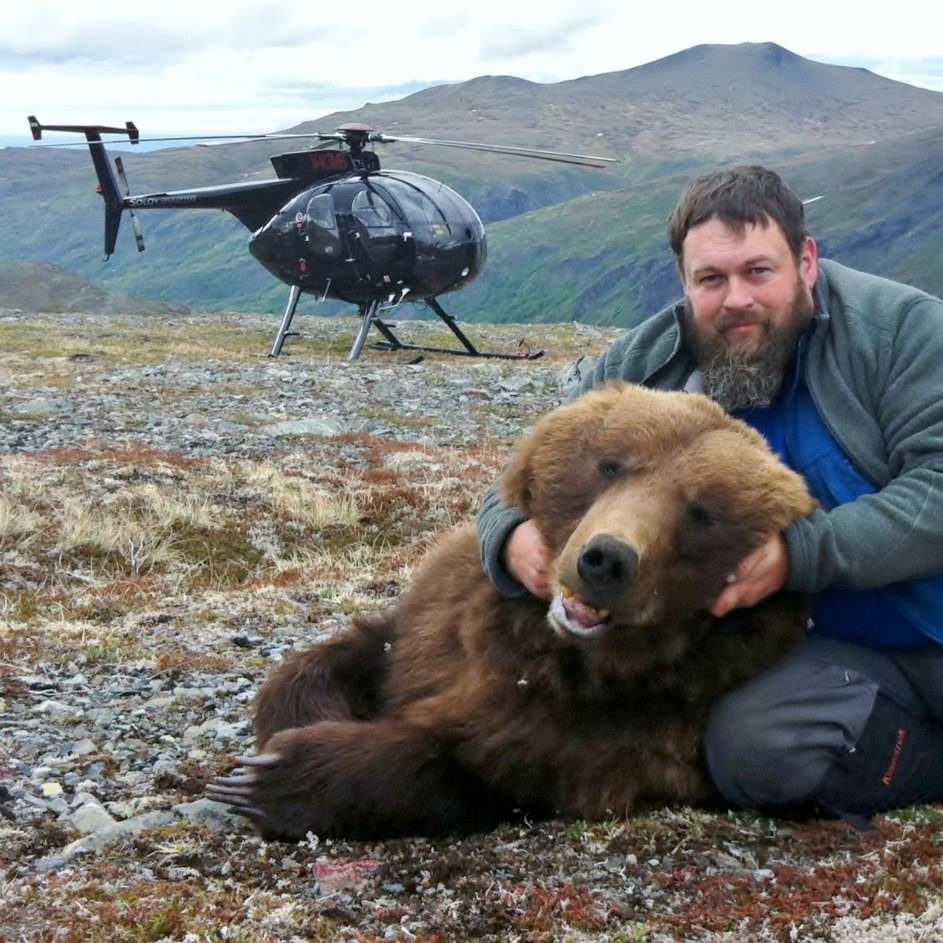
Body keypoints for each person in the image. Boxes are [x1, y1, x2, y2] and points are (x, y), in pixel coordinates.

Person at [477, 165, 943, 822]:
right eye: (711, 279)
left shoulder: (903, 333)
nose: (736, 299)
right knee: (748, 748)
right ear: (684, 280)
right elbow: (539, 461)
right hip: (834, 649)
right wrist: (508, 533)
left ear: (806, 261)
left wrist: (799, 554)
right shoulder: (646, 362)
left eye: (758, 271)